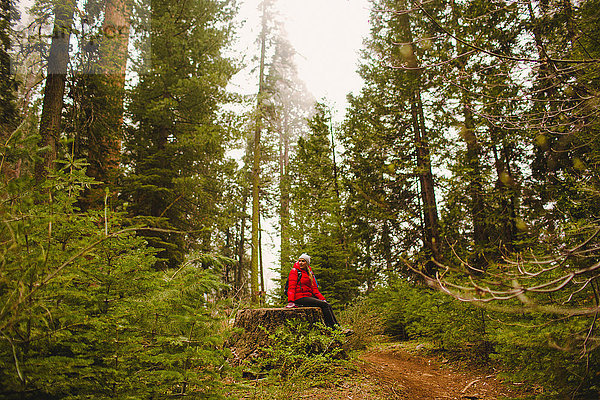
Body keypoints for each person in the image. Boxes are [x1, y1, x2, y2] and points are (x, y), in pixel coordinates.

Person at [285, 253, 342, 330]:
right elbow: (291, 287)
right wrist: (291, 301)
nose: (301, 263)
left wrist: (322, 299)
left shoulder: (310, 273)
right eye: (299, 261)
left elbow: (315, 290)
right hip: (298, 298)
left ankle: (336, 327)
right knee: (325, 306)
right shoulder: (294, 271)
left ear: (307, 263)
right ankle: (335, 329)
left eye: (303, 261)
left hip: (307, 297)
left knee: (327, 304)